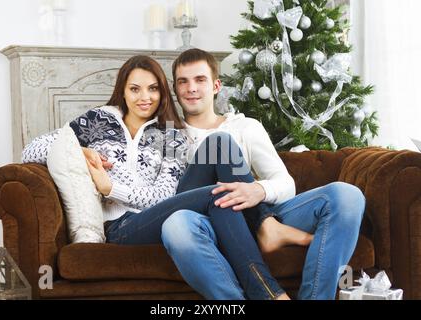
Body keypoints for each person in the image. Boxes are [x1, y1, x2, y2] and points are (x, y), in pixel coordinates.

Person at [22, 55, 286, 300]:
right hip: (118, 227)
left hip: (154, 218)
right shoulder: (97, 121)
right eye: (135, 89)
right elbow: (31, 151)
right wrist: (79, 150)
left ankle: (263, 286)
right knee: (221, 192)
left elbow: (163, 197)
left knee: (220, 180)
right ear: (123, 91)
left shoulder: (171, 135)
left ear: (163, 92)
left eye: (153, 89)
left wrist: (110, 187)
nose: (144, 97)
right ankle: (268, 289)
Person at [160, 48, 366, 300]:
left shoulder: (245, 126)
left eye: (199, 80)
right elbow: (167, 196)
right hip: (209, 224)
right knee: (177, 225)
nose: (191, 88)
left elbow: (285, 183)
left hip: (261, 212)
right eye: (183, 82)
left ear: (216, 86)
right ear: (175, 88)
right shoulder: (168, 136)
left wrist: (257, 190)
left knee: (347, 196)